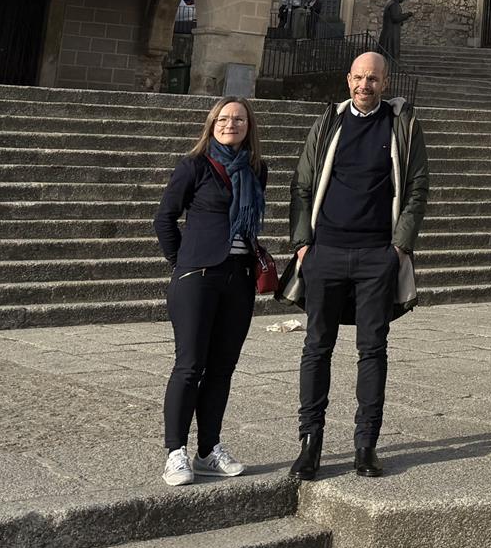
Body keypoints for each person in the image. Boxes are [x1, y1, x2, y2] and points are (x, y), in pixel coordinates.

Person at [288, 51, 431, 481]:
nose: (364, 85)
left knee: (373, 350)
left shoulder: (402, 125)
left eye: (372, 79)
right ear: (347, 79)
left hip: (376, 254)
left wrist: (400, 246)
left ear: (385, 83)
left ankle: (365, 444)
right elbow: (303, 183)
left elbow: (418, 186)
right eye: (358, 77)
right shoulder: (328, 122)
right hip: (325, 249)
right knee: (317, 347)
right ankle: (310, 442)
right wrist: (302, 242)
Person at [154, 96, 267, 487]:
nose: (230, 124)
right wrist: (181, 261)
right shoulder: (194, 166)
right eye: (223, 118)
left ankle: (209, 450)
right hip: (197, 276)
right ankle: (175, 453)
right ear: (211, 123)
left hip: (239, 277)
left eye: (238, 119)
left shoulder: (256, 169)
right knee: (189, 366)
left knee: (222, 369)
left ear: (248, 127)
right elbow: (165, 217)